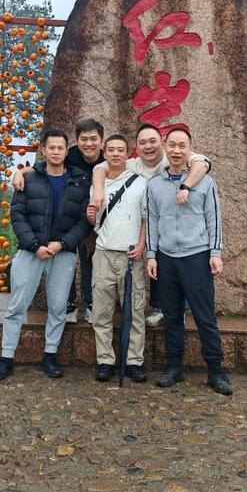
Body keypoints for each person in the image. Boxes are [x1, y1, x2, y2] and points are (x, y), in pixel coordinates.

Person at [0, 130, 92, 381]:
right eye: (51, 147)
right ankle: (6, 358)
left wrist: (62, 243)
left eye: (61, 148)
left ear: (67, 152)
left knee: (58, 307)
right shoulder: (29, 179)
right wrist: (35, 245)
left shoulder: (79, 183)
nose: (56, 152)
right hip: (30, 252)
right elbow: (18, 215)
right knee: (17, 307)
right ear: (43, 151)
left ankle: (49, 357)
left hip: (63, 253)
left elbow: (83, 221)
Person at [91, 124, 211, 328]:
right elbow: (100, 167)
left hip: (178, 219)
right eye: (142, 142)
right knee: (156, 264)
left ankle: (179, 308)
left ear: (162, 144)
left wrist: (186, 186)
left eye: (153, 141)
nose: (148, 146)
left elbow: (203, 163)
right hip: (147, 222)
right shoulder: (133, 164)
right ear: (136, 147)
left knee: (174, 264)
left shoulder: (172, 156)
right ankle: (160, 307)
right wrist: (98, 191)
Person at [145, 128, 232, 396]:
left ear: (190, 149)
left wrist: (215, 252)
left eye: (182, 145)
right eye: (172, 145)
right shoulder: (154, 185)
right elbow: (152, 222)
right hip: (166, 258)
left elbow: (213, 218)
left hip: (197, 256)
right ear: (164, 146)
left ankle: (215, 370)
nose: (176, 150)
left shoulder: (205, 181)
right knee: (172, 316)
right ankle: (174, 366)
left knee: (204, 315)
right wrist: (151, 255)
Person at [13, 119, 104, 325]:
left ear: (102, 141)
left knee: (91, 258)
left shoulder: (108, 157)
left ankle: (91, 302)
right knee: (64, 255)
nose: (89, 144)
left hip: (98, 215)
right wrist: (20, 172)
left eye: (94, 139)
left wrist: (92, 231)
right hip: (71, 213)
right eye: (84, 139)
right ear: (77, 141)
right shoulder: (69, 154)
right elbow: (42, 167)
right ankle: (69, 303)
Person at [86, 134, 148, 383]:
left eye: (120, 150)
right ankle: (105, 360)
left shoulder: (140, 182)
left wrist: (142, 244)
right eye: (111, 149)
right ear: (104, 153)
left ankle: (134, 361)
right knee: (102, 311)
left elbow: (146, 218)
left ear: (127, 153)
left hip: (131, 254)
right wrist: (91, 214)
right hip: (103, 252)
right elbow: (95, 222)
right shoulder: (98, 184)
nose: (115, 154)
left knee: (135, 310)